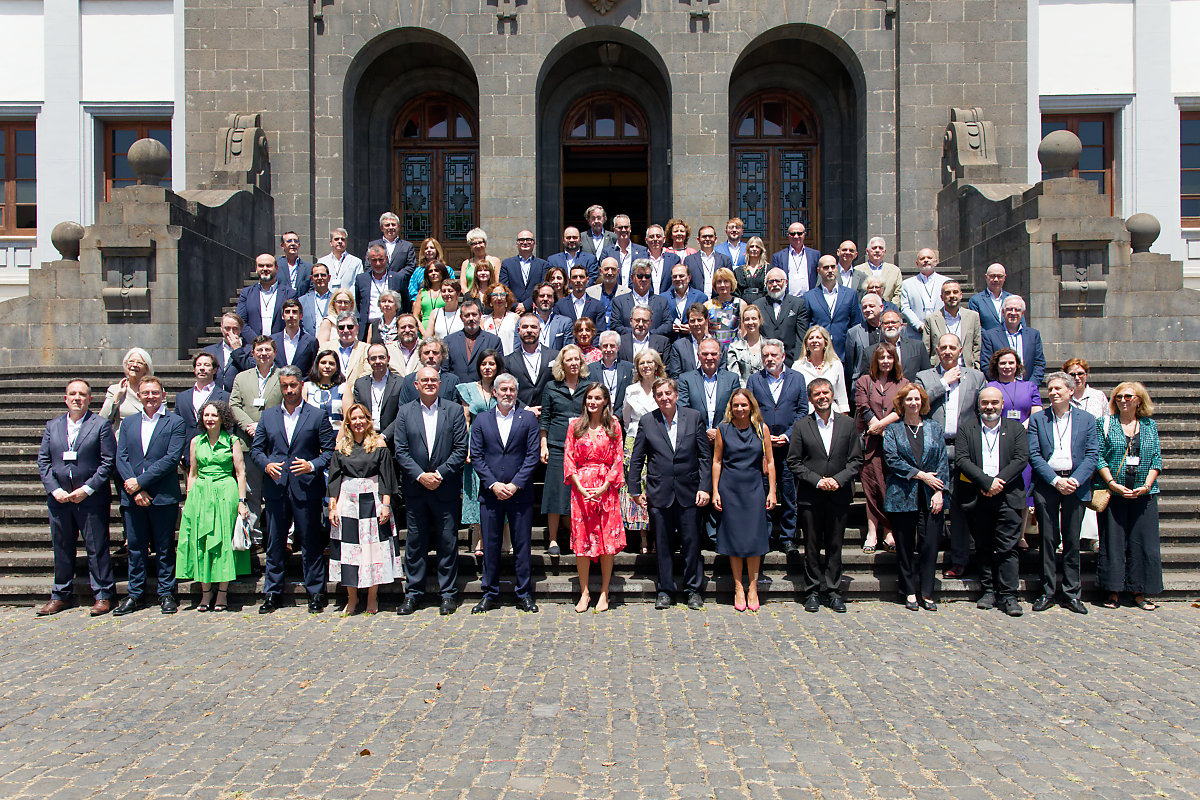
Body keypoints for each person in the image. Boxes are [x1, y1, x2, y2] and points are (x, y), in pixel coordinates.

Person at [251, 366, 336, 614]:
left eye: (293, 386)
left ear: (301, 385)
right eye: (285, 386)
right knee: (275, 542)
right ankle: (272, 593)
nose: (289, 390)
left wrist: (312, 465)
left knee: (310, 541)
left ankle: (316, 592)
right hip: (277, 487)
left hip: (306, 487)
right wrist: (266, 465)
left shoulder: (317, 415)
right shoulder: (267, 417)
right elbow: (256, 451)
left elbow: (329, 452)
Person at [628, 377, 712, 610]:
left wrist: (705, 487)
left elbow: (705, 456)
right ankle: (665, 590)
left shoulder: (693, 417)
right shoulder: (647, 421)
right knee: (662, 545)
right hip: (659, 493)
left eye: (668, 393)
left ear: (676, 395)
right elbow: (637, 459)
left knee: (692, 544)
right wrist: (634, 489)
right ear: (655, 398)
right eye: (659, 394)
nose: (664, 398)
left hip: (690, 492)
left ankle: (693, 590)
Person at [36, 379, 117, 616]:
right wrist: (55, 490)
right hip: (60, 499)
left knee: (97, 547)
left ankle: (103, 594)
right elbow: (44, 461)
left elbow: (107, 462)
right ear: (65, 398)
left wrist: (87, 489)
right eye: (72, 394)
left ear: (90, 399)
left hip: (90, 498)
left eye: (82, 394)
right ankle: (60, 595)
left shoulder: (100, 425)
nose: (77, 398)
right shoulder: (53, 426)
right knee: (61, 547)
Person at [394, 367, 469, 615]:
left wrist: (439, 474)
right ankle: (413, 593)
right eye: (424, 380)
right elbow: (401, 450)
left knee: (447, 542)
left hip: (444, 487)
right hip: (416, 488)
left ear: (440, 383)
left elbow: (460, 449)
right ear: (416, 385)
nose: (429, 383)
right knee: (415, 543)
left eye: (433, 380)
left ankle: (447, 594)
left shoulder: (454, 410)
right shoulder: (405, 412)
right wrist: (420, 475)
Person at [787, 378, 863, 613]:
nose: (822, 396)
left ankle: (832, 590)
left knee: (835, 545)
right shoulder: (801, 426)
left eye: (826, 392)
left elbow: (856, 460)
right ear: (810, 398)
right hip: (811, 496)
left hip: (839, 495)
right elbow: (794, 461)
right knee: (811, 545)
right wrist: (818, 480)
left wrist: (838, 481)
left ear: (832, 395)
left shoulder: (848, 425)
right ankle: (811, 591)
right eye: (817, 393)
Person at [113, 377, 187, 616]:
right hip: (133, 496)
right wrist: (135, 489)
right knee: (135, 547)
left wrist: (140, 482)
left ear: (163, 395)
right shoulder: (128, 423)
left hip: (162, 495)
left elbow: (171, 458)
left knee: (165, 547)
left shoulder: (175, 422)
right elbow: (121, 457)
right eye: (145, 393)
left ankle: (166, 593)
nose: (150, 396)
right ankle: (135, 594)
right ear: (139, 395)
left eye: (155, 392)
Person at [915, 333, 987, 579]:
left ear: (960, 350)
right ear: (936, 349)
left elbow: (983, 411)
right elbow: (919, 405)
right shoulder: (925, 377)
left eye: (952, 348)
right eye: (943, 347)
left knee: (960, 508)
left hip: (964, 450)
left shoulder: (977, 377)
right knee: (930, 507)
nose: (947, 351)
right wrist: (943, 383)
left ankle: (959, 559)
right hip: (933, 448)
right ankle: (926, 560)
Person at [1028, 372, 1099, 615]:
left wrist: (1076, 481)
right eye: (1050, 388)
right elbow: (1034, 454)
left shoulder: (1087, 419)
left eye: (1059, 388)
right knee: (1047, 540)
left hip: (1076, 484)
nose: (1054, 392)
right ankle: (1046, 592)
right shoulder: (1039, 419)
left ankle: (1071, 593)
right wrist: (1056, 480)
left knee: (1072, 540)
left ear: (1071, 391)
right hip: (1049, 483)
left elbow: (1092, 455)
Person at [470, 374, 541, 613]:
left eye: (512, 389)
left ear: (516, 391)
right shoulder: (481, 420)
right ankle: (489, 592)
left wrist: (515, 484)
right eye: (503, 389)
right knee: (490, 545)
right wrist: (493, 484)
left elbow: (532, 456)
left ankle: (524, 592)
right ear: (495, 392)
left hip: (519, 494)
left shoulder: (528, 418)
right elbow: (476, 456)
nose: (508, 393)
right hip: (491, 495)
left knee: (522, 545)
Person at [956, 387, 1030, 617]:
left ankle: (1008, 595)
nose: (989, 407)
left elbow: (1021, 458)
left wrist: (999, 481)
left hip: (1008, 495)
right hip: (978, 494)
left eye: (994, 403)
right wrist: (986, 483)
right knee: (983, 545)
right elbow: (962, 459)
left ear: (1002, 405)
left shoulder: (1016, 428)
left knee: (1008, 547)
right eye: (985, 403)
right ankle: (988, 589)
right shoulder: (967, 428)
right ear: (979, 404)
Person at [175, 400, 252, 613]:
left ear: (222, 418)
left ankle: (222, 594)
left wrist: (242, 502)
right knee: (201, 542)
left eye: (214, 415)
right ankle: (205, 592)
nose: (209, 419)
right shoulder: (195, 442)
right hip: (200, 493)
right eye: (206, 415)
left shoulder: (232, 441)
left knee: (223, 543)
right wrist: (189, 499)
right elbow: (192, 472)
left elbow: (240, 472)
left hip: (225, 492)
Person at [328, 403, 399, 616]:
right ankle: (351, 597)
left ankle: (371, 595)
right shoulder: (342, 446)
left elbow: (387, 476)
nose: (358, 422)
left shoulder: (378, 444)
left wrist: (386, 504)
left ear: (368, 420)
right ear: (348, 422)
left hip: (373, 499)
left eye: (362, 418)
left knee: (373, 550)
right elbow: (333, 479)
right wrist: (332, 507)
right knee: (349, 551)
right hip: (347, 502)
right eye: (354, 418)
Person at [1096, 381, 1163, 611]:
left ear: (1139, 400)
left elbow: (1156, 458)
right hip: (1114, 493)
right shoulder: (1104, 423)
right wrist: (1112, 484)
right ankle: (1112, 590)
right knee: (1113, 541)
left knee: (1143, 542)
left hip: (1144, 493)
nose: (1122, 400)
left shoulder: (1149, 425)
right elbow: (1099, 457)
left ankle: (1138, 591)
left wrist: (1147, 484)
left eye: (1127, 396)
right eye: (1118, 397)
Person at [882, 383, 948, 612]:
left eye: (917, 399)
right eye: (909, 399)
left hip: (931, 497)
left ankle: (927, 593)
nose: (913, 403)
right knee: (905, 545)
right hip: (902, 495)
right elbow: (892, 460)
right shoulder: (893, 429)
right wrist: (922, 476)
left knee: (930, 546)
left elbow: (942, 461)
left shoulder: (934, 428)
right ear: (901, 403)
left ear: (923, 402)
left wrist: (940, 490)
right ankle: (909, 591)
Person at [564, 383, 626, 613]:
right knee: (581, 543)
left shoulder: (613, 426)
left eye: (597, 398)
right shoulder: (575, 426)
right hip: (581, 489)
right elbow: (568, 458)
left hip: (606, 488)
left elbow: (618, 458)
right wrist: (579, 486)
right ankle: (584, 592)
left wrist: (605, 486)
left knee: (606, 543)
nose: (592, 402)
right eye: (589, 397)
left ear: (605, 401)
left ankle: (605, 592)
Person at [712, 388, 775, 611]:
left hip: (755, 488)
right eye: (736, 405)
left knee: (755, 541)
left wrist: (772, 491)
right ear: (731, 407)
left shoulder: (761, 428)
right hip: (730, 489)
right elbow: (717, 460)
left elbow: (770, 461)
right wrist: (715, 491)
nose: (740, 409)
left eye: (744, 405)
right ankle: (739, 587)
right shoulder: (723, 429)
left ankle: (753, 587)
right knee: (735, 540)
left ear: (751, 406)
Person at [746, 339, 807, 555]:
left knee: (789, 493)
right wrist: (763, 435)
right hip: (763, 448)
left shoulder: (797, 379)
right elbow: (749, 411)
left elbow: (802, 411)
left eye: (773, 355)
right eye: (765, 356)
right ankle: (766, 535)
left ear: (783, 356)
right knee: (763, 493)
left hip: (789, 447)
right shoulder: (754, 380)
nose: (769, 359)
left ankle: (787, 537)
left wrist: (787, 435)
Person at [986, 346, 1043, 546]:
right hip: (997, 440)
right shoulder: (990, 386)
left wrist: (1019, 429)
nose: (1007, 366)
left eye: (1011, 362)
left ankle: (1021, 535)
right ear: (996, 366)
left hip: (1023, 440)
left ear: (1017, 365)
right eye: (1003, 363)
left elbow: (1036, 412)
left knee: (1023, 486)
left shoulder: (1029, 387)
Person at [228, 335, 282, 541]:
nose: (263, 354)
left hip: (275, 443)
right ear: (252, 354)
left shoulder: (283, 376)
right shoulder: (242, 378)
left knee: (277, 492)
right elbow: (233, 405)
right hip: (247, 443)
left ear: (275, 353)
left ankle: (280, 537)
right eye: (259, 350)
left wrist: (264, 428)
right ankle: (253, 536)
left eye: (268, 350)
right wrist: (248, 425)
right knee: (251, 492)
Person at [540, 344, 589, 554]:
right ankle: (552, 540)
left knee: (577, 493)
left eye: (577, 359)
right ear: (562, 363)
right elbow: (545, 418)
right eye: (569, 359)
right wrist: (544, 444)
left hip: (582, 448)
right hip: (558, 445)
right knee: (554, 492)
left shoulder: (589, 386)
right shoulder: (551, 387)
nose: (574, 363)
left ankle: (576, 535)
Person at [855, 343, 903, 554]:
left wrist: (881, 427)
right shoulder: (865, 381)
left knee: (889, 487)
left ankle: (889, 531)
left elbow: (902, 409)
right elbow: (863, 406)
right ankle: (872, 532)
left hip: (895, 445)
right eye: (881, 357)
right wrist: (874, 424)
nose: (885, 361)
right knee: (871, 487)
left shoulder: (903, 383)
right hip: (870, 444)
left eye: (889, 357)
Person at [457, 350, 502, 556]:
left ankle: (500, 537)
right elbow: (466, 420)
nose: (487, 367)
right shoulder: (468, 389)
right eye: (484, 363)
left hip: (498, 446)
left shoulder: (502, 388)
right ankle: (481, 538)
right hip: (475, 445)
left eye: (491, 364)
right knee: (477, 491)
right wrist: (466, 448)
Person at [620, 349, 663, 551]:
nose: (646, 366)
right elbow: (626, 417)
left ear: (656, 365)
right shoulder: (631, 390)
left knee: (655, 487)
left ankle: (657, 534)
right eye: (642, 363)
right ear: (637, 367)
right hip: (634, 440)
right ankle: (643, 537)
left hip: (658, 440)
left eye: (650, 362)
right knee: (637, 488)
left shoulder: (663, 387)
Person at [1064, 357, 1109, 551]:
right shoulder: (1063, 396)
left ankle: (1094, 538)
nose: (1076, 377)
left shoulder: (1098, 396)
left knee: (1093, 494)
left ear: (1086, 375)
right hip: (1070, 454)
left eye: (1080, 373)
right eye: (1072, 374)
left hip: (1094, 453)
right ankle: (1067, 537)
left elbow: (1107, 424)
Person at [804, 255, 863, 360]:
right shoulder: (809, 296)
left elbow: (855, 324)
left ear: (837, 269)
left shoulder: (850, 294)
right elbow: (807, 326)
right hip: (817, 354)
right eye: (826, 267)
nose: (830, 270)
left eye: (833, 267)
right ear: (819, 270)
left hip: (844, 352)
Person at [678, 338, 740, 436]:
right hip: (696, 437)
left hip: (726, 436)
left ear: (720, 356)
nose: (710, 357)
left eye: (714, 354)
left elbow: (735, 408)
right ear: (698, 356)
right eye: (705, 354)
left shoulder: (732, 379)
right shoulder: (686, 379)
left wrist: (719, 431)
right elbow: (684, 410)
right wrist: (705, 430)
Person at [980, 295, 1045, 386]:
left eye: (1017, 310)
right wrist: (1001, 384)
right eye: (1009, 309)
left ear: (1022, 313)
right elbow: (986, 365)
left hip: (1028, 387)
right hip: (1001, 389)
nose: (1013, 313)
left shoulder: (1033, 335)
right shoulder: (990, 336)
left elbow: (1039, 363)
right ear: (1003, 312)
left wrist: (1030, 385)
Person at [174, 352, 229, 457]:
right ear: (194, 369)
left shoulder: (225, 397)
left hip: (216, 454)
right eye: (198, 365)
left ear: (214, 370)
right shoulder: (181, 398)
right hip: (187, 452)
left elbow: (229, 426)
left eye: (206, 365)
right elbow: (177, 427)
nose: (202, 368)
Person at [352, 344, 404, 447]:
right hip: (365, 440)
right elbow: (358, 411)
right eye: (373, 358)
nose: (377, 361)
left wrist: (384, 436)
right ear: (368, 361)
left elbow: (402, 414)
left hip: (392, 441)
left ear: (388, 359)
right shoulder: (360, 384)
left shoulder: (400, 383)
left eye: (381, 357)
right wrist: (368, 436)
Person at [856, 310, 927, 384]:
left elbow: (926, 377)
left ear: (901, 325)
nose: (890, 325)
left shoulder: (918, 347)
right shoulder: (869, 353)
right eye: (886, 323)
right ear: (881, 327)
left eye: (894, 322)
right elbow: (864, 382)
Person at [754, 268, 810, 362]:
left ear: (786, 282)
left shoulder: (798, 304)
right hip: (765, 360)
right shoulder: (757, 305)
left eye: (778, 281)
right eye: (771, 282)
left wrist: (798, 361)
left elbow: (801, 337)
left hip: (791, 360)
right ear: (766, 285)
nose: (775, 284)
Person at [922, 280, 981, 369]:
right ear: (942, 297)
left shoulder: (973, 316)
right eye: (948, 293)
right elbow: (926, 350)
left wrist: (976, 368)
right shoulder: (931, 319)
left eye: (955, 292)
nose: (952, 296)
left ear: (961, 295)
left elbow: (977, 347)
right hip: (939, 370)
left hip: (966, 369)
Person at [235, 254, 296, 338]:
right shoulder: (246, 293)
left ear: (276, 268)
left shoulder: (289, 293)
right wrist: (256, 342)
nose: (265, 269)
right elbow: (240, 321)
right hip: (252, 347)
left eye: (269, 266)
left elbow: (293, 321)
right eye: (261, 266)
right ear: (256, 269)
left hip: (281, 346)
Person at [443, 297, 502, 382]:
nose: (471, 318)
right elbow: (445, 370)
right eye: (467, 315)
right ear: (461, 317)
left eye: (474, 314)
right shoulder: (449, 340)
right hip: (455, 390)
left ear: (480, 315)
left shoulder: (493, 341)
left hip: (483, 391)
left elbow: (499, 370)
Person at [794, 325, 849, 413]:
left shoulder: (836, 364)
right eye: (811, 338)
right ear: (806, 344)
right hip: (808, 414)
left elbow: (842, 396)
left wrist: (844, 417)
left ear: (826, 343)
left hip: (833, 413)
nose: (814, 341)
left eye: (818, 337)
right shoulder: (798, 366)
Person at [611, 260, 673, 337]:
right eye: (640, 276)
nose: (643, 279)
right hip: (628, 345)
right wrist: (636, 333)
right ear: (632, 277)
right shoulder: (619, 301)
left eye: (647, 276)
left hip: (654, 345)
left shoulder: (661, 301)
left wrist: (649, 334)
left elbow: (668, 325)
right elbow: (615, 326)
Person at [512, 313, 558, 411]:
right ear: (518, 331)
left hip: (548, 415)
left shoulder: (555, 356)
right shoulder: (508, 361)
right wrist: (526, 408)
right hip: (520, 415)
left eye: (533, 327)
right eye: (525, 327)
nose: (529, 330)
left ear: (540, 330)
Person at [100, 347, 152, 434]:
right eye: (131, 361)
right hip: (121, 440)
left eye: (139, 362)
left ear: (146, 368)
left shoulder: (154, 391)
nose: (134, 365)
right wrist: (117, 396)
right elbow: (102, 418)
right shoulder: (115, 389)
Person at [898, 248, 947, 339]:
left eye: (929, 257)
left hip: (942, 331)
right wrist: (919, 326)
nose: (926, 260)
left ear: (935, 262)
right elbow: (905, 308)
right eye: (922, 258)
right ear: (917, 263)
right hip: (916, 334)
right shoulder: (907, 284)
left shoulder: (946, 282)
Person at [397, 336, 461, 404]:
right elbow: (403, 408)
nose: (431, 356)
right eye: (426, 353)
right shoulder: (409, 380)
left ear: (442, 356)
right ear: (420, 356)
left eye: (435, 352)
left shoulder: (452, 381)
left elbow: (456, 409)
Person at [499, 229, 548, 312]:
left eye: (528, 240)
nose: (525, 242)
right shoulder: (507, 264)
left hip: (536, 309)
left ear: (534, 243)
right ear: (517, 244)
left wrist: (526, 305)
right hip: (513, 311)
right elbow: (504, 288)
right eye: (521, 240)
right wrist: (516, 305)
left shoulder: (543, 265)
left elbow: (543, 288)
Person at [843, 293, 884, 389]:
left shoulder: (889, 329)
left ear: (881, 307)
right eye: (864, 307)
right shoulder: (854, 332)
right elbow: (850, 364)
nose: (867, 310)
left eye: (871, 306)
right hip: (863, 384)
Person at [661, 262, 709, 341]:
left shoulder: (701, 297)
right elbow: (659, 323)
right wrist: (669, 328)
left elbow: (705, 324)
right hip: (670, 343)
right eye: (674, 276)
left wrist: (692, 329)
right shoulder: (663, 298)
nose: (678, 279)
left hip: (692, 343)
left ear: (689, 277)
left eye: (681, 276)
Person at [771, 221, 819, 297]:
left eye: (799, 233)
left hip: (810, 299)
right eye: (792, 234)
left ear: (804, 234)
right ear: (788, 235)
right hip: (788, 299)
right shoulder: (778, 257)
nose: (796, 236)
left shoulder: (815, 255)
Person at [272, 298, 319, 376]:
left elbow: (313, 369)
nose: (291, 315)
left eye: (294, 312)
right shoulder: (273, 340)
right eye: (287, 312)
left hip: (302, 386)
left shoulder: (311, 341)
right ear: (282, 316)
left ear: (301, 316)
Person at [205, 313, 252, 391]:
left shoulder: (250, 350)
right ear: (221, 329)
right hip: (215, 395)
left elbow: (251, 371)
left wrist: (237, 350)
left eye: (235, 328)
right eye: (227, 328)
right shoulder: (209, 351)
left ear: (241, 330)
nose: (231, 332)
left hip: (239, 395)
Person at [303, 349, 346, 432]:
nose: (327, 366)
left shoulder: (343, 387)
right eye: (323, 363)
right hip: (312, 434)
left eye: (331, 363)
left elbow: (347, 418)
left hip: (336, 434)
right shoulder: (307, 386)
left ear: (337, 367)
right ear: (317, 365)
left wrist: (339, 440)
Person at [684, 225, 733, 297]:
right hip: (697, 302)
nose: (707, 239)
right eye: (704, 236)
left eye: (710, 236)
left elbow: (731, 283)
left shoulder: (725, 260)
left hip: (719, 302)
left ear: (715, 239)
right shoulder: (689, 260)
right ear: (698, 240)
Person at [598, 215, 648, 285]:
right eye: (620, 227)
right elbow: (603, 275)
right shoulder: (607, 252)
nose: (624, 230)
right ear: (614, 230)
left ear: (630, 228)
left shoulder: (642, 251)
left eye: (626, 227)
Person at [853, 236, 903, 304]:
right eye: (874, 248)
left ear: (884, 252)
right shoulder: (857, 270)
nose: (877, 250)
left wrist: (889, 309)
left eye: (880, 248)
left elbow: (898, 294)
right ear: (867, 251)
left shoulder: (895, 271)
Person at [553, 264, 605, 330]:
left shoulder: (597, 305)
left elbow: (600, 332)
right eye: (574, 277)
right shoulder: (560, 305)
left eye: (581, 277)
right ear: (569, 281)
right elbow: (558, 330)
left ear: (587, 280)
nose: (578, 280)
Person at [525, 281, 574, 350]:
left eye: (549, 296)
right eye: (542, 296)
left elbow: (568, 351)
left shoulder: (565, 323)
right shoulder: (523, 322)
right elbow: (518, 351)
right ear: (535, 299)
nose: (545, 299)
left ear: (554, 299)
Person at [587, 257, 632, 330]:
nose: (610, 272)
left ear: (618, 272)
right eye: (606, 269)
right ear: (600, 271)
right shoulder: (590, 292)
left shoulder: (627, 293)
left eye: (613, 269)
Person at [725, 303, 765, 386]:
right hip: (743, 394)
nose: (750, 322)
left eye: (754, 318)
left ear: (760, 320)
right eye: (747, 319)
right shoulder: (734, 348)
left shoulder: (768, 346)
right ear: (742, 323)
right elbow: (734, 376)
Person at [367, 210, 418, 276]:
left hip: (400, 283)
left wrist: (395, 278)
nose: (390, 227)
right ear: (381, 228)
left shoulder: (407, 246)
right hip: (378, 282)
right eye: (387, 225)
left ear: (398, 227)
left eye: (393, 225)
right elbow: (368, 266)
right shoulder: (373, 245)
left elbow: (411, 266)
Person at [666, 303, 711, 378]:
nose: (696, 324)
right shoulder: (679, 346)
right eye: (692, 321)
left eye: (699, 320)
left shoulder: (717, 346)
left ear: (706, 321)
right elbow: (675, 376)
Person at [705, 268, 746, 348]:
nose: (722, 285)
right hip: (714, 350)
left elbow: (744, 331)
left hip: (734, 349)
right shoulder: (707, 305)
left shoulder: (740, 304)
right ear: (715, 285)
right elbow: (705, 331)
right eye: (719, 282)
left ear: (731, 283)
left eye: (726, 281)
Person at [967, 262, 1013, 332]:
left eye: (999, 276)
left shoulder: (1012, 299)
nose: (996, 280)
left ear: (1004, 278)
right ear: (986, 277)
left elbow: (1021, 324)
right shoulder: (976, 300)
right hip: (987, 341)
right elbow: (975, 326)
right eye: (992, 276)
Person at [316, 227, 363, 294]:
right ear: (331, 242)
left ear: (346, 242)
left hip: (348, 301)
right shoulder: (322, 262)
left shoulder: (356, 262)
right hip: (327, 301)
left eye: (342, 239)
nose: (340, 241)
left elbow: (358, 284)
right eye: (336, 239)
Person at [458, 227, 503, 296]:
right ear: (470, 246)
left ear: (485, 243)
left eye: (480, 242)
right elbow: (463, 286)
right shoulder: (466, 263)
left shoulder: (495, 261)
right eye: (474, 243)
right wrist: (471, 297)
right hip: (471, 299)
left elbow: (498, 283)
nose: (478, 246)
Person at [408, 237, 455, 302]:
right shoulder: (418, 271)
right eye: (426, 248)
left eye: (432, 248)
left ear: (437, 250)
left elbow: (452, 288)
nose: (429, 250)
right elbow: (413, 288)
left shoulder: (447, 269)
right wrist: (416, 303)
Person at [299, 262, 334, 339]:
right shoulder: (302, 301)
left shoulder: (336, 300)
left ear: (329, 278)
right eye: (316, 275)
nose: (319, 278)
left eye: (323, 275)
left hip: (330, 343)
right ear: (311, 279)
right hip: (308, 343)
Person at [642, 224, 681, 293]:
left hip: (667, 300)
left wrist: (664, 297)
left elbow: (676, 281)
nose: (655, 239)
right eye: (651, 237)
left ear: (664, 239)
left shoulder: (674, 259)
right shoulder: (639, 258)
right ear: (646, 240)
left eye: (658, 236)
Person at [482, 283, 519, 355]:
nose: (499, 298)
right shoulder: (484, 320)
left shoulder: (515, 318)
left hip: (510, 361)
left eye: (502, 295)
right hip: (490, 362)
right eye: (495, 295)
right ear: (490, 299)